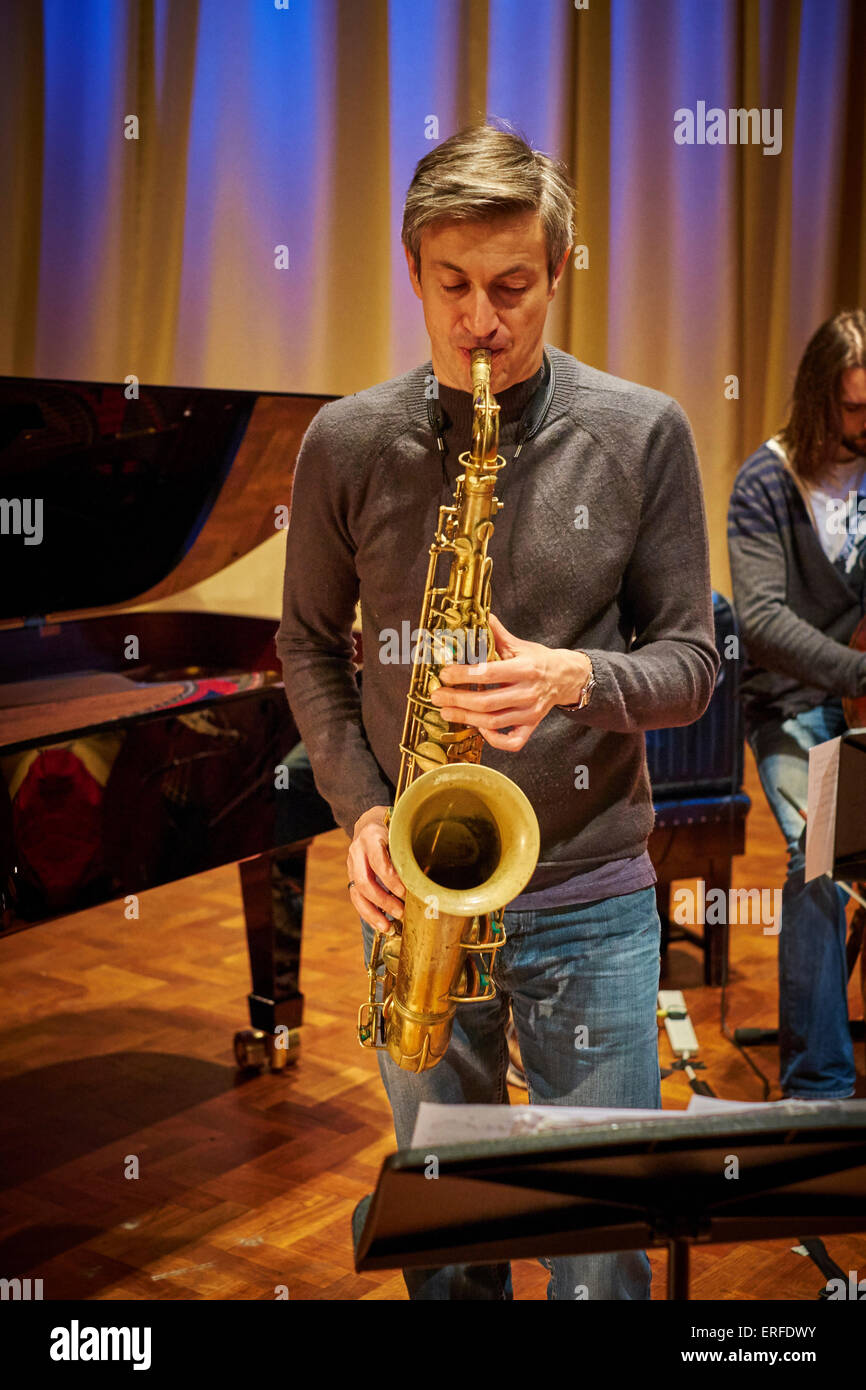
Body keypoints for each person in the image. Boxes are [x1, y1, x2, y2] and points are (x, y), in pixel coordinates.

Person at [276, 121, 719, 1300]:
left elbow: (691, 660)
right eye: (452, 286)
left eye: (513, 287)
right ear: (410, 268)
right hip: (413, 894)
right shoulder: (349, 442)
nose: (481, 322)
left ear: (559, 270)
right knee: (450, 1247)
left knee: (601, 1248)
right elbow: (308, 645)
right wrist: (364, 814)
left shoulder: (641, 432)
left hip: (589, 892)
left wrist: (576, 678)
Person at [727, 308, 866, 1102]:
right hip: (789, 705)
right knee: (817, 852)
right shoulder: (765, 483)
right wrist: (855, 674)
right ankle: (819, 1085)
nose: (865, 423)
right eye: (854, 409)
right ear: (820, 399)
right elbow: (763, 620)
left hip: (856, 704)